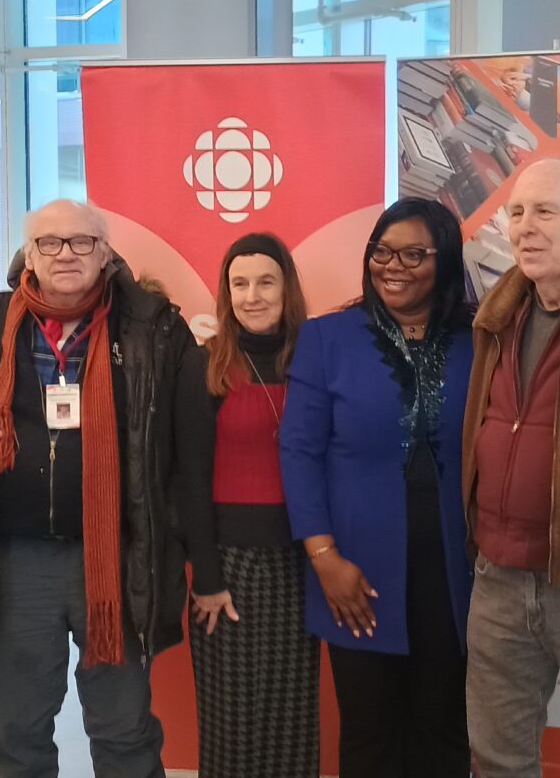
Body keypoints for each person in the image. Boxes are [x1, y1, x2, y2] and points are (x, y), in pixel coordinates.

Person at [0, 199, 196, 778]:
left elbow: (185, 437)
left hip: (114, 557)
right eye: (50, 243)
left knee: (124, 728)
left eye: (81, 242)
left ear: (105, 254)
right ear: (29, 256)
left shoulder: (153, 329)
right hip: (15, 559)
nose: (65, 254)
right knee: (14, 732)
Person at [280, 198, 474, 777]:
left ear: (445, 261)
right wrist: (324, 557)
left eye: (415, 253)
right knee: (370, 735)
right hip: (354, 573)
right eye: (382, 252)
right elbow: (299, 453)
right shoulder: (327, 339)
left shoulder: (482, 337)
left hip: (456, 573)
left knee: (445, 729)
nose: (394, 265)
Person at [462, 158, 560, 777]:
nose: (525, 227)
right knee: (497, 759)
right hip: (496, 576)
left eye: (545, 211)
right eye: (517, 212)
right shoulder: (500, 313)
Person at [182, 233, 319, 778]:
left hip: (301, 559)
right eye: (239, 283)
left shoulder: (314, 360)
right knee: (233, 719)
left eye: (266, 282)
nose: (252, 296)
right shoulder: (204, 365)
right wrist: (207, 577)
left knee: (292, 715)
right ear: (226, 291)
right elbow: (188, 479)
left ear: (288, 288)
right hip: (228, 565)